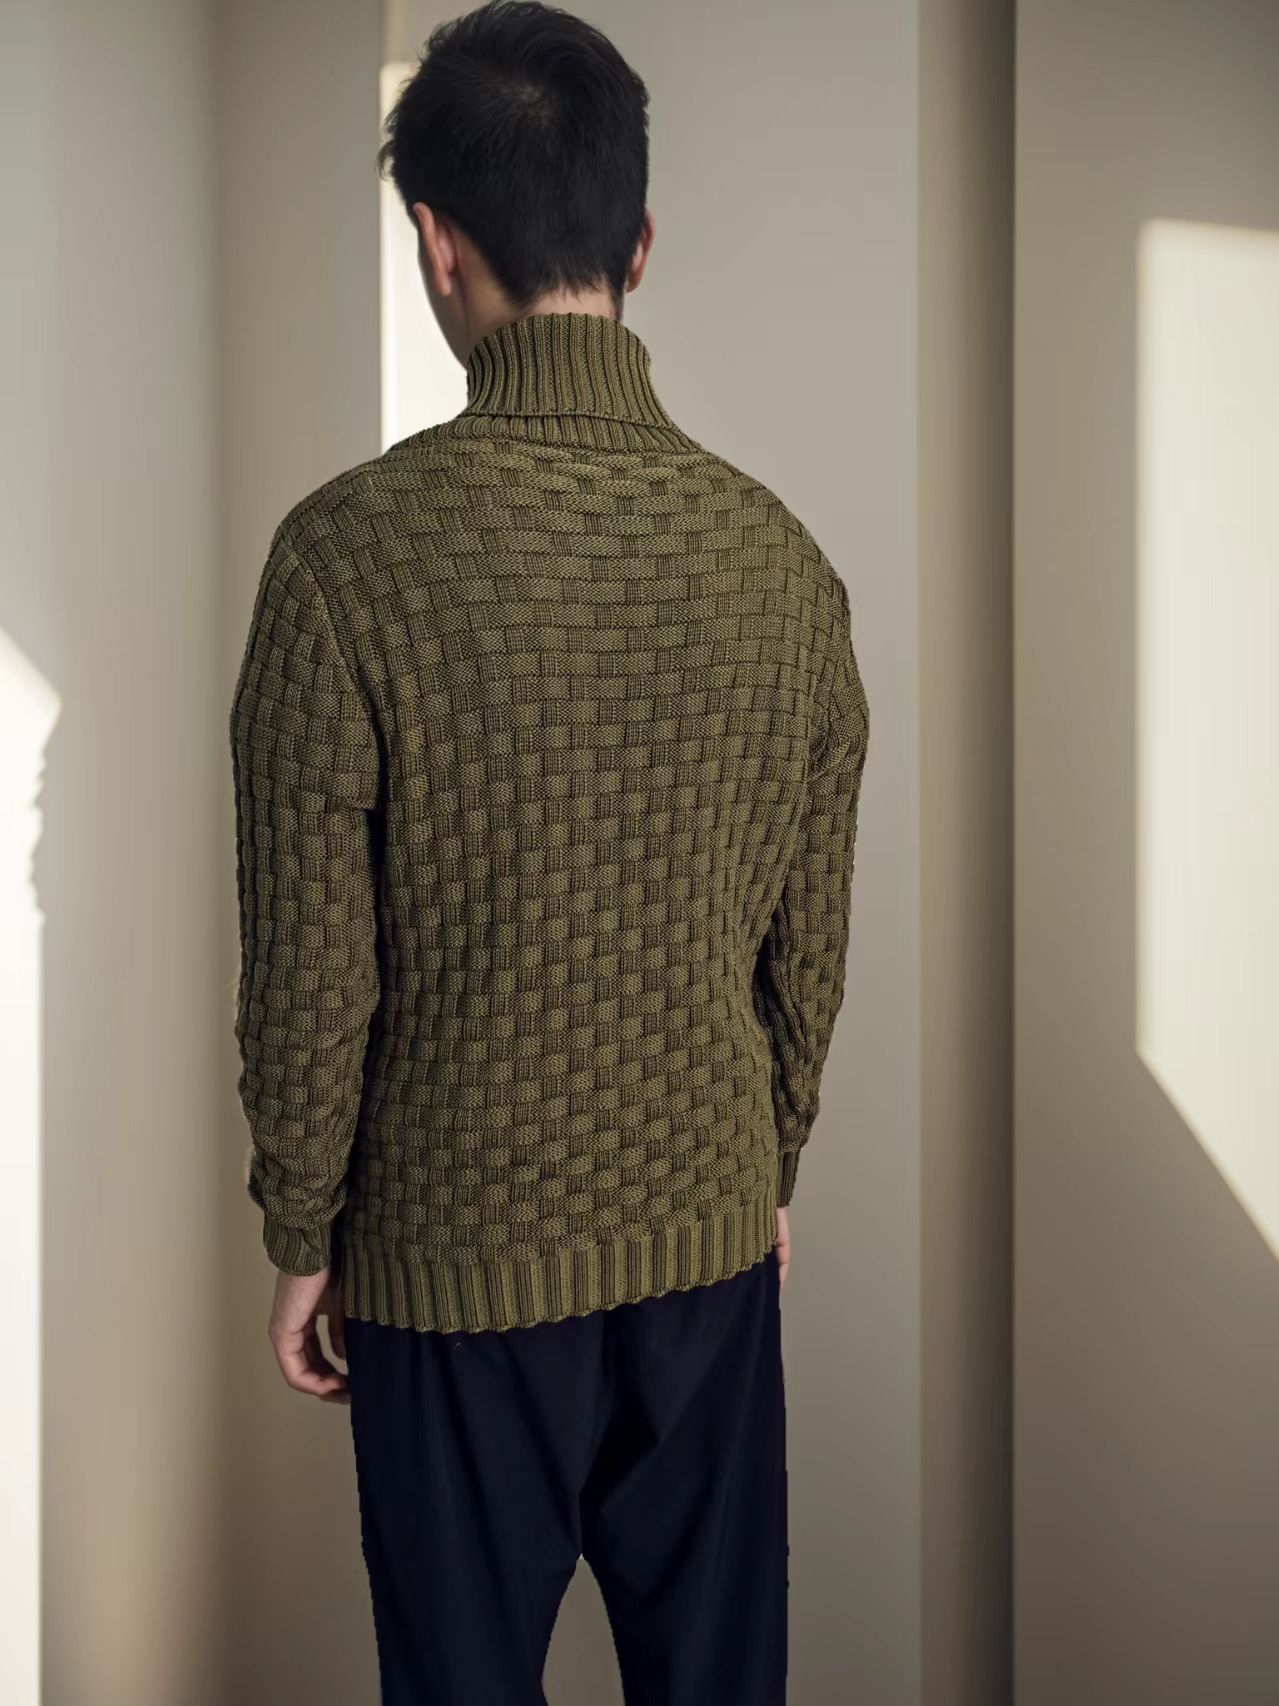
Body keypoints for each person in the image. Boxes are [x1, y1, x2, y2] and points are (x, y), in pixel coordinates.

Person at [228, 3, 869, 1700]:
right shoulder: (783, 566)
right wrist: (770, 1154)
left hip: (449, 1260)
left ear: (437, 245)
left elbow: (311, 970)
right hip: (709, 1247)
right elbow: (807, 943)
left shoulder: (343, 562)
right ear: (638, 243)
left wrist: (302, 1227)